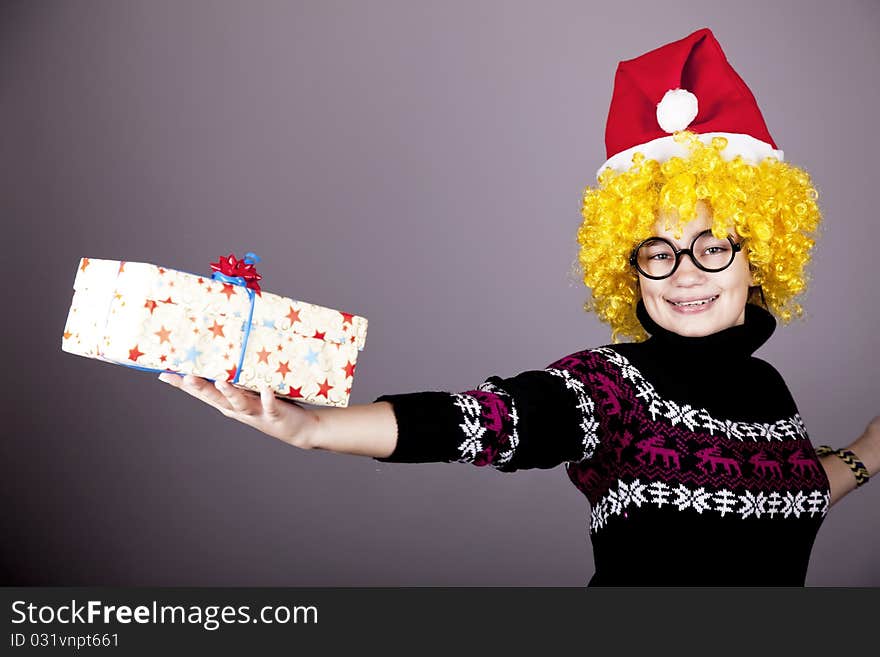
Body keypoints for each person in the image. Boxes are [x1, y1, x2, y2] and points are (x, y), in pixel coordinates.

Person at [157, 28, 879, 585]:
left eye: (712, 245)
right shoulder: (611, 387)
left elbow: (790, 482)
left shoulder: (770, 393)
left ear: (759, 257)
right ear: (629, 266)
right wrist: (314, 428)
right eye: (657, 250)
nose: (683, 273)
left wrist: (869, 450)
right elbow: (489, 418)